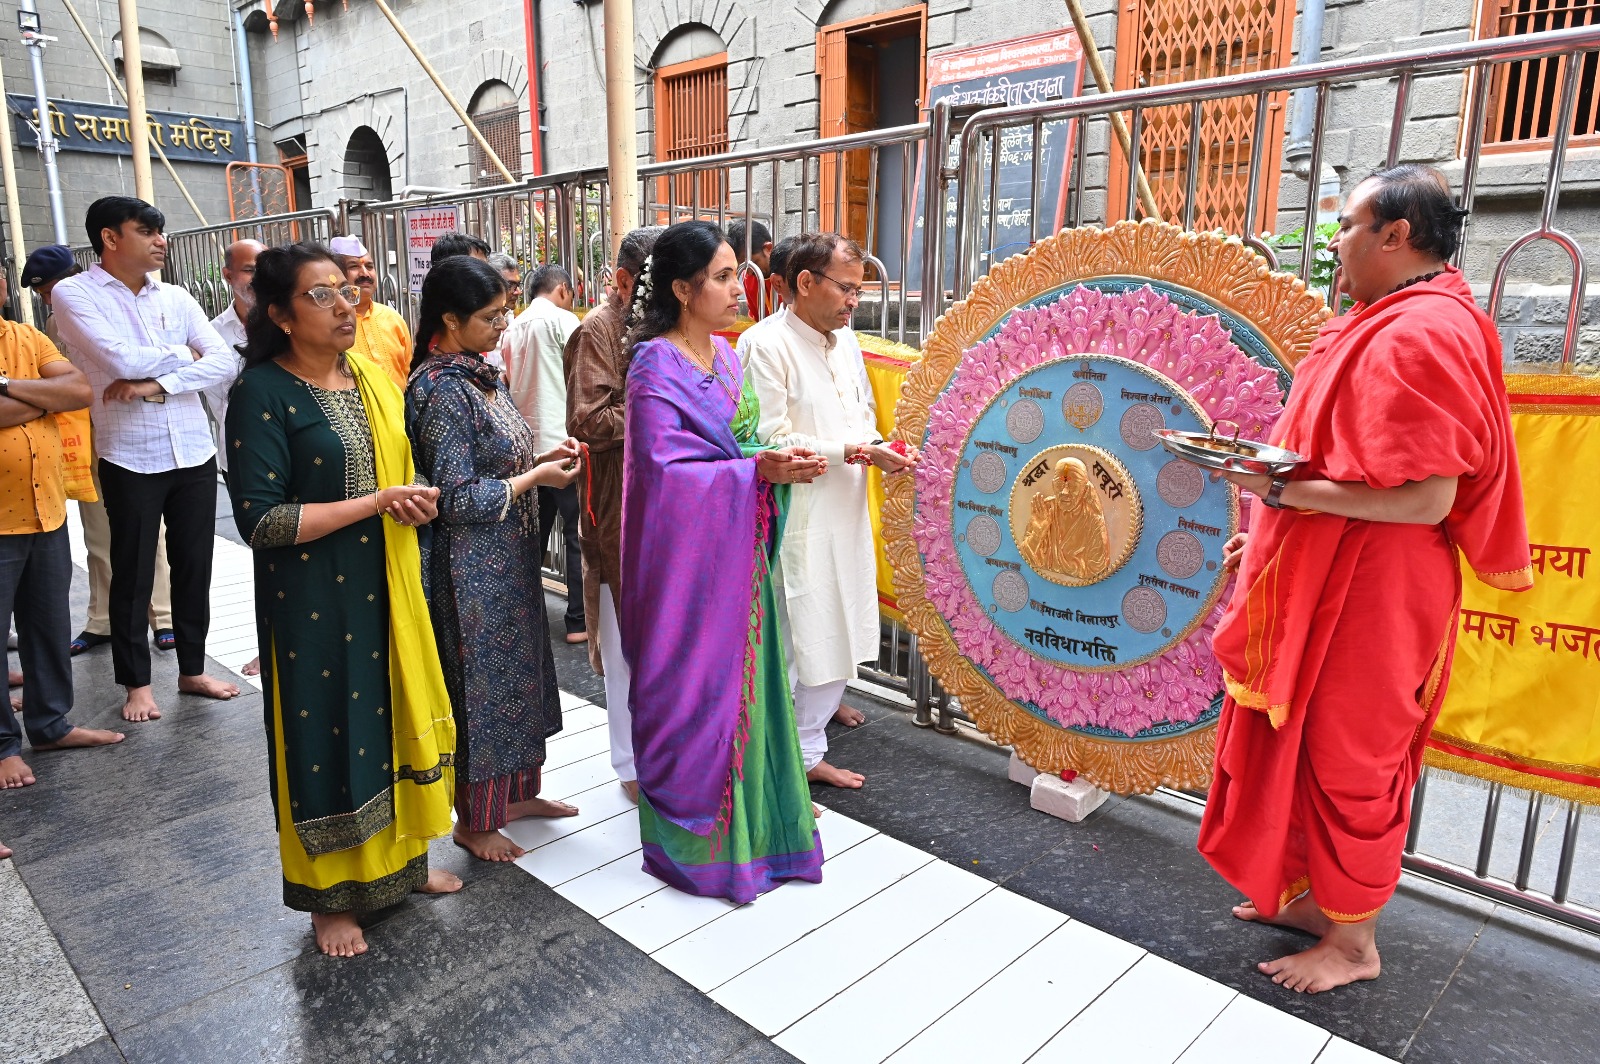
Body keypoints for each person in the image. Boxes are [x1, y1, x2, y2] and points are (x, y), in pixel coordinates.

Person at [1196, 164, 1532, 994]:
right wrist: (1271, 533)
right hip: (1323, 571)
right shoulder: (1376, 320)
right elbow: (1335, 466)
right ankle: (1323, 905)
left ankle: (1356, 946)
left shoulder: (1425, 332)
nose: (1334, 240)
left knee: (1352, 757)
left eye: (1347, 224)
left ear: (1396, 234)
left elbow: (1423, 500)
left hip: (1376, 591)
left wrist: (1272, 491)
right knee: (1302, 743)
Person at [226, 242, 460, 957]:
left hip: (386, 584)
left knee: (389, 715)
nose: (344, 305)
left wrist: (410, 501)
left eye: (347, 291)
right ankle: (330, 899)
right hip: (312, 600)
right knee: (325, 733)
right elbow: (261, 520)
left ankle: (403, 863)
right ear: (279, 314)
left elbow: (396, 469)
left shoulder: (368, 376)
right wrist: (374, 503)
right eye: (320, 295)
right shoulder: (262, 392)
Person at [622, 220, 826, 902]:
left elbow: (729, 452)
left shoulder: (730, 359)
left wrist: (771, 465)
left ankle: (762, 833)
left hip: (737, 558)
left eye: (736, 272)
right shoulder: (654, 364)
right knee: (694, 694)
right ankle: (701, 847)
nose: (738, 287)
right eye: (720, 276)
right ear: (681, 289)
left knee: (754, 687)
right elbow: (665, 473)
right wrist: (751, 472)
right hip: (686, 568)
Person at [406, 256, 585, 861]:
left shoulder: (479, 373)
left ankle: (516, 796)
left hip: (506, 554)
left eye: (506, 310)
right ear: (450, 320)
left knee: (521, 675)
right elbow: (455, 498)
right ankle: (474, 820)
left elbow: (502, 455)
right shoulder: (441, 390)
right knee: (482, 688)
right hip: (469, 564)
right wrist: (533, 475)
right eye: (490, 316)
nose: (503, 325)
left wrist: (541, 457)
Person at [50, 196, 241, 723]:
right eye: (147, 231)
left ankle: (192, 669)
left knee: (194, 567)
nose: (161, 241)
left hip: (192, 449)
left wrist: (156, 382)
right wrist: (185, 358)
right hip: (129, 454)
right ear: (111, 239)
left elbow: (223, 360)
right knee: (131, 573)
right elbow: (117, 360)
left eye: (161, 231)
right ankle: (136, 683)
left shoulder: (177, 297)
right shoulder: (74, 293)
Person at [738, 232, 918, 790]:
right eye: (846, 288)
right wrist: (856, 451)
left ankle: (809, 735)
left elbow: (859, 415)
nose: (854, 301)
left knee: (842, 616)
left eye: (859, 290)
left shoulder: (844, 344)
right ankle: (791, 756)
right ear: (806, 283)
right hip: (798, 511)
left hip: (845, 503)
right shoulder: (764, 345)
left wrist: (875, 445)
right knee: (801, 627)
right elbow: (769, 438)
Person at [1, 270, 125, 790]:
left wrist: (8, 387)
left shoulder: (25, 337)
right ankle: (3, 747)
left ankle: (50, 724)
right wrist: (42, 396)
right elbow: (58, 394)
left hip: (45, 508)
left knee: (48, 626)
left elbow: (75, 389)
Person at [22, 245, 176, 660]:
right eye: (43, 295)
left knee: (150, 528)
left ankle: (163, 616)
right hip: (82, 437)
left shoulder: (121, 306)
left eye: (53, 288)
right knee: (97, 533)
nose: (50, 299)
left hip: (132, 428)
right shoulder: (54, 322)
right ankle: (103, 619)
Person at [563, 225, 662, 800]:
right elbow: (588, 422)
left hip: (663, 503)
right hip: (616, 507)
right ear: (625, 281)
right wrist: (661, 408)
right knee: (625, 638)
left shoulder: (661, 332)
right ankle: (629, 765)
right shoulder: (596, 331)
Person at [502, 264, 585, 643]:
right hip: (562, 442)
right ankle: (578, 622)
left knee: (531, 536)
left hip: (527, 450)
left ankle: (523, 617)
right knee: (576, 533)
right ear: (564, 290)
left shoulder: (511, 327)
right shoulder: (563, 321)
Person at [210, 239, 267, 678]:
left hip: (300, 455)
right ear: (229, 275)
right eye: (249, 269)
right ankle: (266, 642)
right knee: (265, 550)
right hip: (245, 460)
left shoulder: (292, 320)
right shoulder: (213, 335)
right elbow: (221, 405)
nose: (258, 277)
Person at [330, 235, 413, 389]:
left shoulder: (392, 318)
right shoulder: (333, 322)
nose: (365, 274)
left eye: (369, 266)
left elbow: (408, 370)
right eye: (354, 266)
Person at [728, 218, 775, 319]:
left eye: (754, 263)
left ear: (768, 249)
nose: (749, 272)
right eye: (742, 266)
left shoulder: (789, 274)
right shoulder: (747, 278)